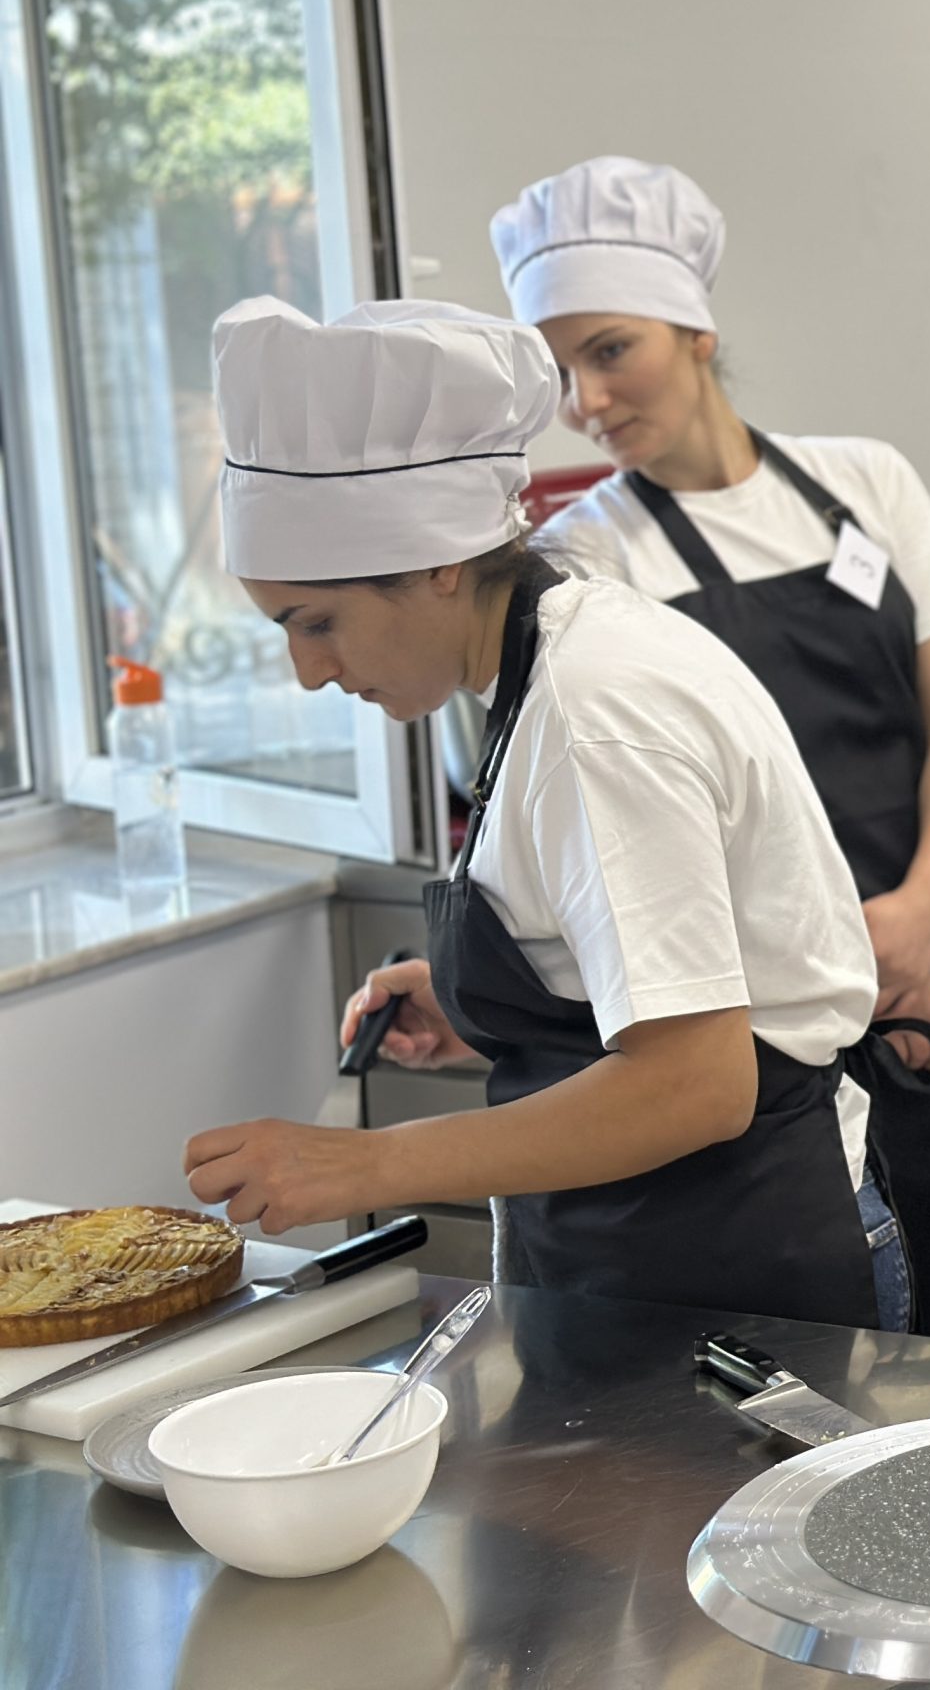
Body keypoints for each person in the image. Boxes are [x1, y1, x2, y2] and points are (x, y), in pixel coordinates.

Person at [182, 299, 888, 1326]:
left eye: (318, 622)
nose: (308, 671)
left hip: (736, 1282)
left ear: (437, 564)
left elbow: (695, 1084)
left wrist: (359, 1165)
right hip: (646, 1265)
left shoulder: (595, 712)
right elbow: (677, 973)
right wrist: (506, 1004)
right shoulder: (539, 661)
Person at [490, 157, 930, 1342]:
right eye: (562, 372)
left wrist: (923, 910)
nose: (588, 399)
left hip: (923, 947)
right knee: (836, 1314)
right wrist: (851, 942)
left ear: (697, 331)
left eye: (610, 350)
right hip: (760, 1002)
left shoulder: (862, 481)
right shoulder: (588, 560)